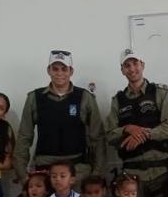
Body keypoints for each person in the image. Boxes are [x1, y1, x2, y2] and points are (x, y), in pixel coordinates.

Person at [105, 48, 168, 197]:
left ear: (142, 65)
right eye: (127, 65)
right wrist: (127, 129)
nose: (132, 69)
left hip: (161, 171)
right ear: (122, 70)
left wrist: (143, 134)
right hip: (132, 176)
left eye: (135, 63)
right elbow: (109, 134)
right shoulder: (118, 101)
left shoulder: (161, 93)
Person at [14, 49, 106, 188]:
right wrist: (23, 176)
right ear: (48, 70)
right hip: (44, 170)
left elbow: (98, 137)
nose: (59, 73)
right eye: (55, 69)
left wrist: (97, 173)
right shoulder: (34, 98)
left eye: (64, 69)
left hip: (78, 170)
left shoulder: (85, 97)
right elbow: (24, 137)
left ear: (71, 71)